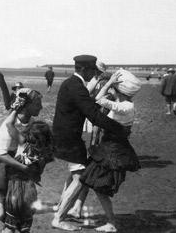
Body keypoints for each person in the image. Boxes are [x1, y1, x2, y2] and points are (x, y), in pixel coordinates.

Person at [51, 55, 126, 231]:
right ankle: (59, 218)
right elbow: (93, 114)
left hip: (65, 136)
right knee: (81, 177)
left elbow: (88, 107)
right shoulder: (77, 86)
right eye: (92, 71)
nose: (94, 75)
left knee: (75, 174)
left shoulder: (70, 83)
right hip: (69, 138)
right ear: (83, 69)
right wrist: (118, 128)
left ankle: (64, 209)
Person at [0, 89, 45, 233]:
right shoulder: (9, 124)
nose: (41, 107)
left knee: (12, 216)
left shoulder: (31, 122)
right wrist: (25, 168)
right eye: (37, 103)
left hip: (15, 170)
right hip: (0, 168)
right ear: (26, 105)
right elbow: (1, 155)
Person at [80, 69, 141, 233]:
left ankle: (112, 223)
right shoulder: (126, 105)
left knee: (100, 186)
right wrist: (110, 84)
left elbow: (98, 99)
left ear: (118, 90)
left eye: (114, 87)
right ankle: (108, 220)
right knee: (97, 185)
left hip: (112, 151)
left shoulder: (125, 107)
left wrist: (108, 83)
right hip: (112, 148)